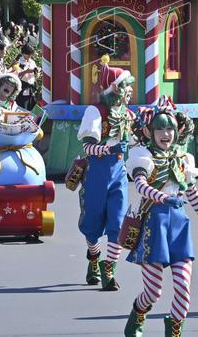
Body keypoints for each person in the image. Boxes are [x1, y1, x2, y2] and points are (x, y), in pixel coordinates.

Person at [123, 98, 198, 337]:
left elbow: (192, 192)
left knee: (184, 287)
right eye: (160, 128)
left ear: (177, 131)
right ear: (149, 132)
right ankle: (137, 314)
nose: (165, 134)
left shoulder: (183, 159)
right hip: (153, 226)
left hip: (178, 226)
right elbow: (141, 185)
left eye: (170, 129)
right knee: (153, 292)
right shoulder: (143, 156)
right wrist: (163, 198)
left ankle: (174, 331)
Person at [76, 64, 135, 292]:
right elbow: (87, 147)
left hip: (118, 171)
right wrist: (107, 150)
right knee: (92, 222)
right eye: (126, 86)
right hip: (97, 173)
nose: (130, 91)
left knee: (117, 223)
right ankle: (94, 257)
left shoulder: (128, 115)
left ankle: (108, 268)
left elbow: (138, 143)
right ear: (115, 88)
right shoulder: (96, 111)